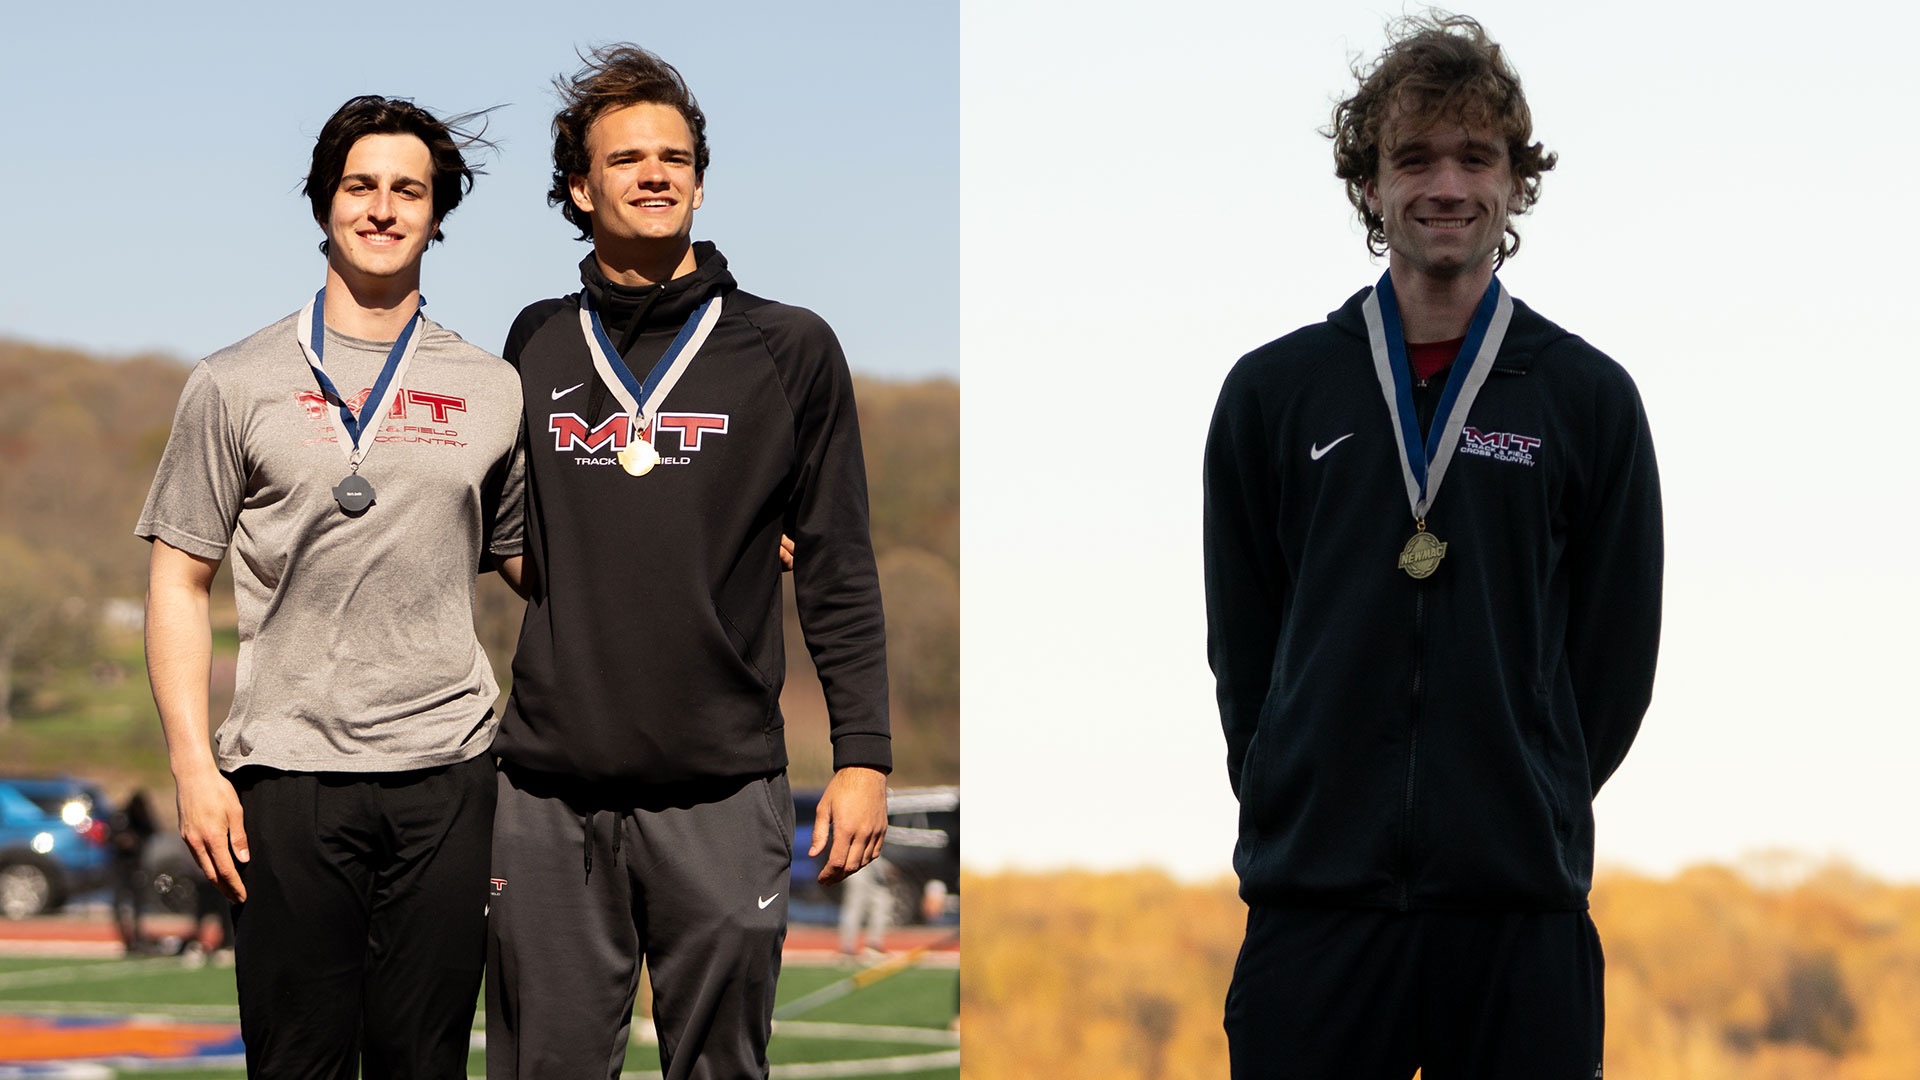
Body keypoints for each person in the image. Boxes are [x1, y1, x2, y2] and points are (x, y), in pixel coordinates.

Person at [1202, 13, 1663, 1078]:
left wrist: (1523, 786)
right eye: (1413, 157)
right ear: (1369, 183)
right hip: (1316, 906)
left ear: (1516, 184)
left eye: (1475, 157)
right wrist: (1295, 786)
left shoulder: (1587, 399)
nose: (1445, 184)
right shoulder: (1273, 393)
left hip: (1518, 913)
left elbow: (1614, 662)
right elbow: (1246, 646)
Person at [485, 44, 891, 1079]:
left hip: (722, 786)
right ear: (579, 188)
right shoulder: (533, 342)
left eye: (675, 156)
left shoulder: (788, 347)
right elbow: (511, 543)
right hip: (546, 793)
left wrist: (864, 755)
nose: (655, 174)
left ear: (701, 180)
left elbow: (838, 559)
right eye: (626, 159)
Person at [137, 95, 523, 1077]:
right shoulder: (233, 381)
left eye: (410, 190)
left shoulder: (492, 386)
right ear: (323, 204)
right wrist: (193, 765)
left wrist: (721, 533)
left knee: (422, 1061)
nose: (383, 208)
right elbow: (179, 581)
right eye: (361, 186)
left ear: (439, 214)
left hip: (447, 766)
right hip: (287, 770)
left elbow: (535, 566)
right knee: (299, 1063)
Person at [108, 789, 156, 954]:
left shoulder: (143, 819)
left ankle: (138, 937)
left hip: (137, 866)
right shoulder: (121, 817)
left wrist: (136, 842)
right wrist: (120, 840)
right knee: (119, 904)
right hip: (120, 866)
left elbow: (153, 832)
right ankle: (126, 939)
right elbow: (109, 835)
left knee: (138, 904)